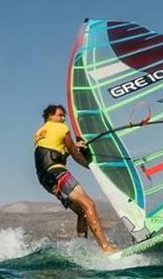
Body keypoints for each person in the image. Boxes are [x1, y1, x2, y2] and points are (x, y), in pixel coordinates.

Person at [34, 104, 116, 253]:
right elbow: (75, 154)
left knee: (82, 212)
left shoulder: (40, 132)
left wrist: (73, 147)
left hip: (46, 178)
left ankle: (81, 250)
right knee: (89, 205)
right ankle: (106, 248)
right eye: (60, 115)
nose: (63, 118)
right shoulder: (60, 128)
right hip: (57, 172)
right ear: (50, 116)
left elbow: (56, 151)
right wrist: (93, 167)